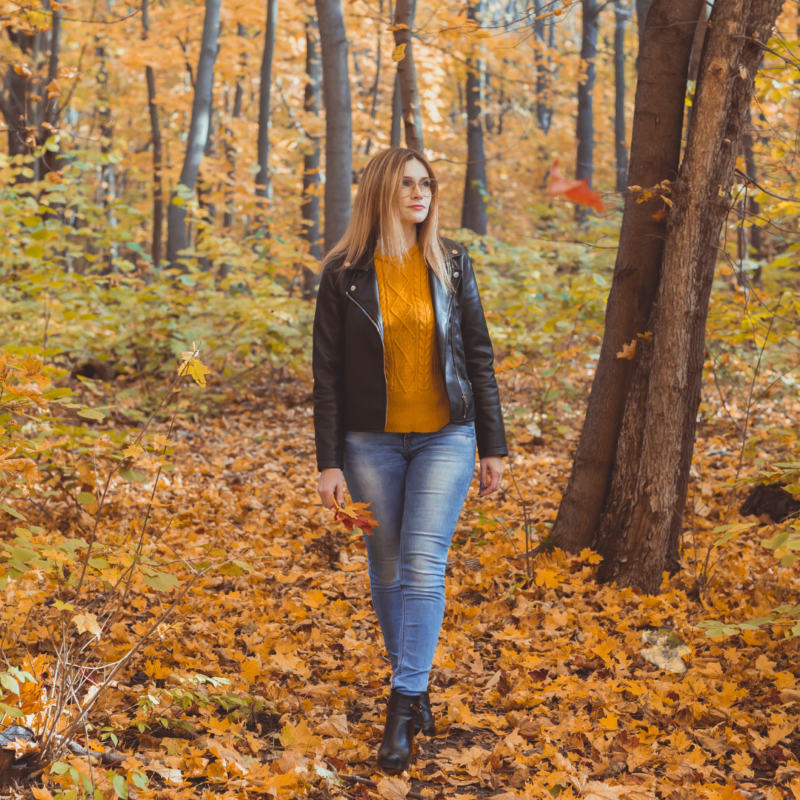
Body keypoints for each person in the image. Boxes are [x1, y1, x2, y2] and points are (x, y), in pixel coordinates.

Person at [312, 147, 507, 774]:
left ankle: (402, 703)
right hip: (368, 443)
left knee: (424, 564)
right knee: (388, 569)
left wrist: (493, 446)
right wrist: (328, 460)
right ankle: (416, 687)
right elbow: (327, 375)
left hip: (445, 438)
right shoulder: (343, 273)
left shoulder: (451, 262)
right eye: (406, 184)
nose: (419, 194)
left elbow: (478, 356)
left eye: (426, 183)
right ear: (379, 192)